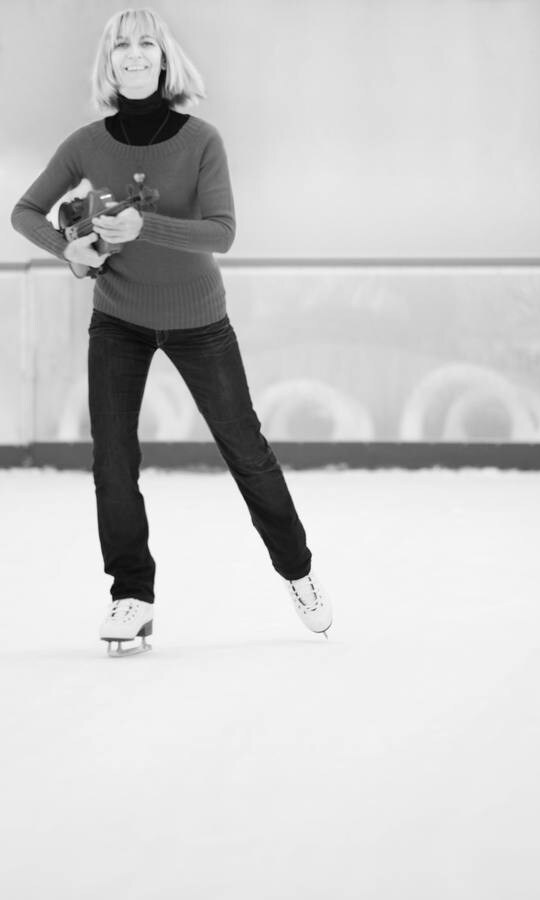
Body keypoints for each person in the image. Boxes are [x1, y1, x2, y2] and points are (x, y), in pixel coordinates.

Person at [11, 6, 332, 655]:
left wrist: (143, 226)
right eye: (121, 45)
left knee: (246, 450)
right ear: (109, 63)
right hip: (118, 320)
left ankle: (298, 571)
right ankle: (130, 595)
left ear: (163, 58)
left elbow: (222, 232)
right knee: (112, 461)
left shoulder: (201, 139)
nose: (133, 54)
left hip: (198, 321)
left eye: (145, 44)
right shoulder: (85, 143)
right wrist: (67, 251)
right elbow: (25, 212)